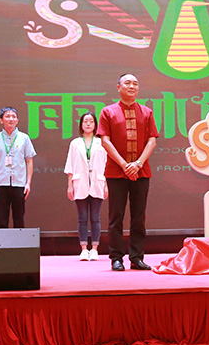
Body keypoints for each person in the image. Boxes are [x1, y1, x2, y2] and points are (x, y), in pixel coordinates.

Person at [98, 73, 159, 271]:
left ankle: (137, 257)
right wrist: (125, 165)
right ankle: (116, 257)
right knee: (116, 216)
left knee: (138, 216)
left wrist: (138, 163)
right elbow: (105, 141)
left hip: (142, 171)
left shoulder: (147, 112)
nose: (132, 86)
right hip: (116, 172)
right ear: (118, 87)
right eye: (127, 83)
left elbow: (152, 140)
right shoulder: (108, 112)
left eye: (135, 83)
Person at [64, 111, 108, 261]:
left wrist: (106, 185)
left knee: (95, 218)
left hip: (98, 181)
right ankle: (83, 249)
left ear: (95, 124)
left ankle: (94, 249)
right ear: (81, 124)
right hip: (80, 182)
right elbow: (70, 165)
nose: (88, 124)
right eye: (85, 121)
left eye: (91, 121)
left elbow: (106, 165)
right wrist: (70, 185)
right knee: (82, 218)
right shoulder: (75, 143)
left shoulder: (101, 142)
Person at [0, 107, 36, 229]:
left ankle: (19, 242)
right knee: (1, 220)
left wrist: (28, 183)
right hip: (0, 183)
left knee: (19, 219)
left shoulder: (24, 138)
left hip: (19, 184)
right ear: (1, 120)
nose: (11, 119)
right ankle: (2, 242)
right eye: (7, 116)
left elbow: (29, 161)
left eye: (14, 117)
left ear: (17, 120)